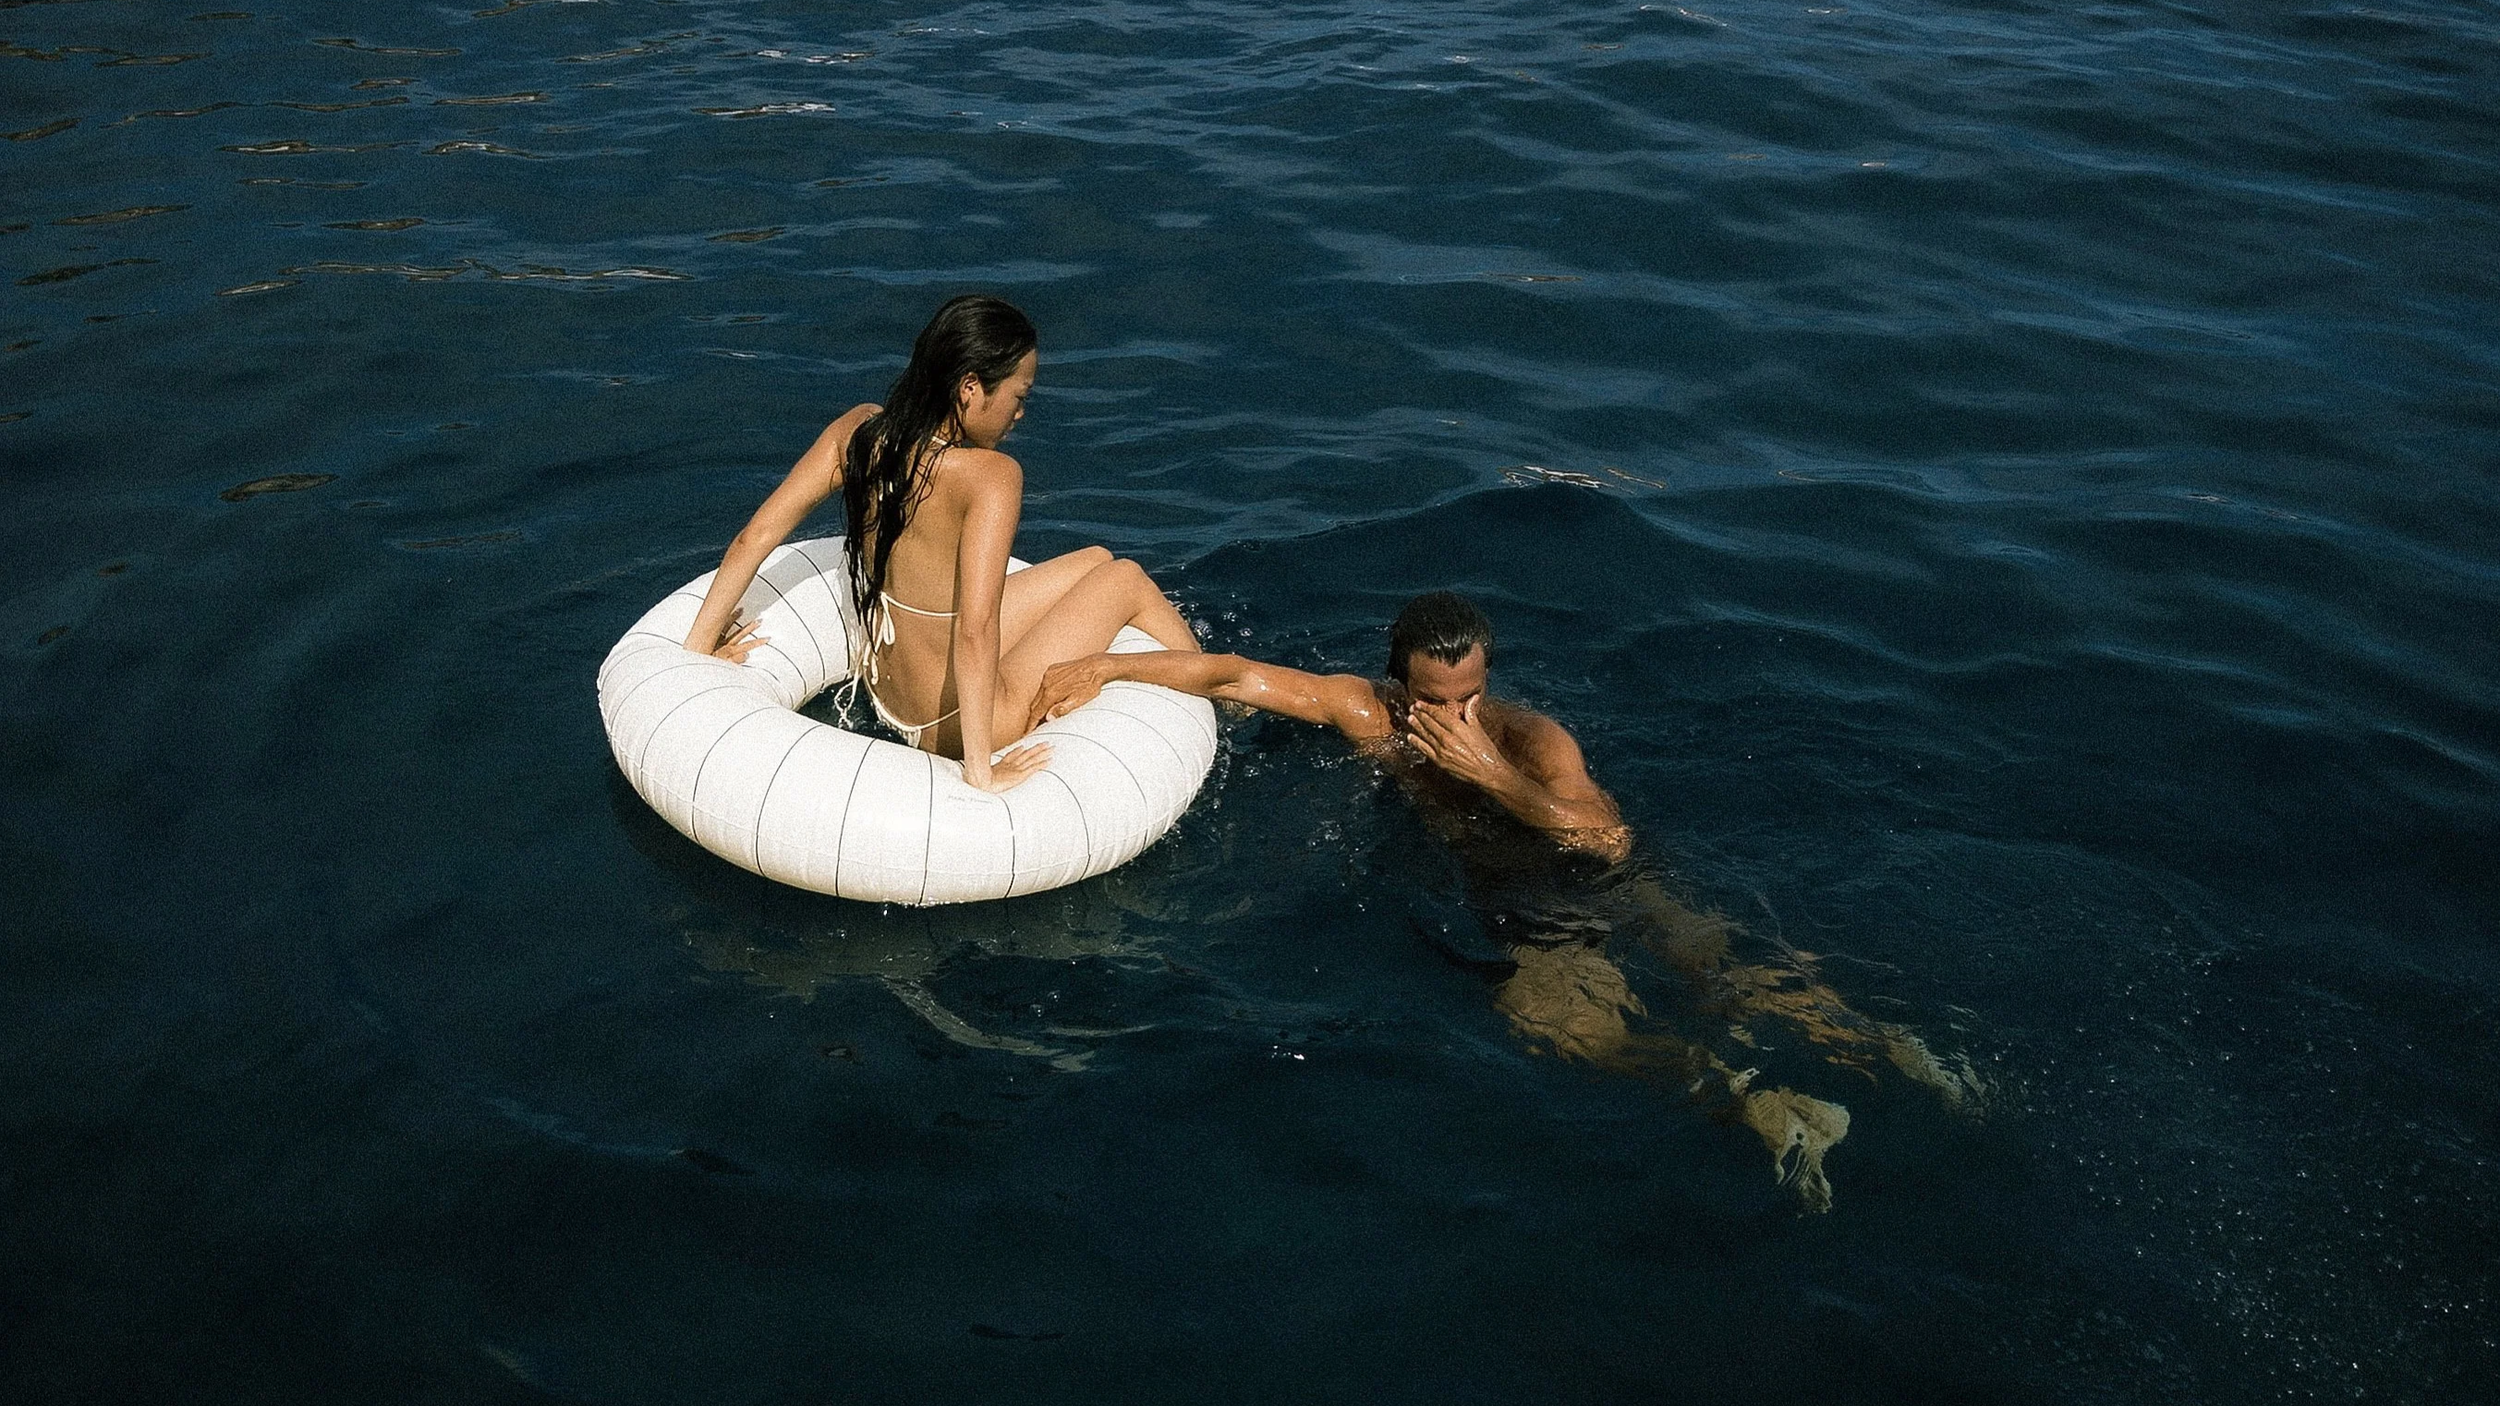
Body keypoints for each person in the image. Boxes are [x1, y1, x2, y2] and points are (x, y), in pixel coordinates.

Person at [1030, 590, 1980, 1211]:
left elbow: (1599, 835)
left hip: (1592, 877)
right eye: (1435, 701)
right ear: (1398, 684)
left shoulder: (1530, 738)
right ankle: (1757, 1100)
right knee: (1554, 1018)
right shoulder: (1366, 713)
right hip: (1531, 911)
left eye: (1472, 694)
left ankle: (1897, 1053)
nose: (1457, 716)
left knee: (1728, 974)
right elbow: (1232, 676)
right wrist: (1108, 668)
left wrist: (1493, 777)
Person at [681, 295, 1199, 792]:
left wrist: (699, 649)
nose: (1020, 414)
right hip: (950, 726)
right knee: (1125, 577)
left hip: (888, 693)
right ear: (971, 387)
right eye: (1018, 397)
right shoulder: (990, 476)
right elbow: (976, 629)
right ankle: (1220, 705)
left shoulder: (858, 432)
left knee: (1094, 561)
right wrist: (982, 770)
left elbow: (759, 535)